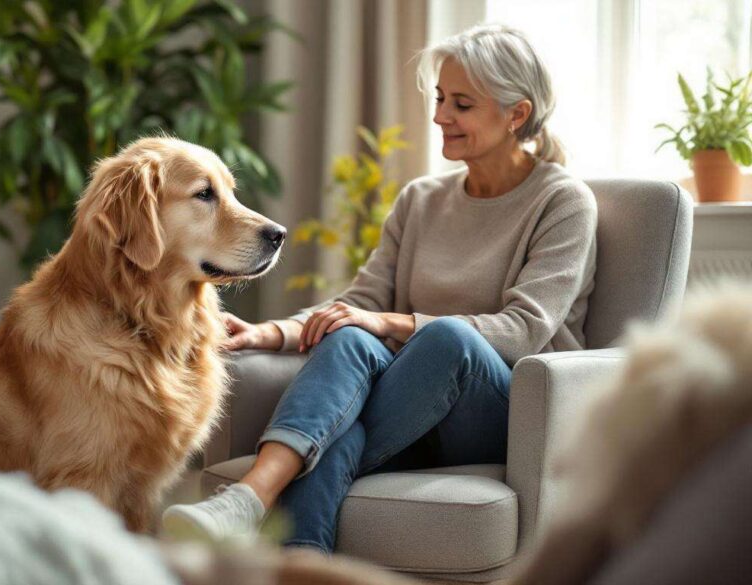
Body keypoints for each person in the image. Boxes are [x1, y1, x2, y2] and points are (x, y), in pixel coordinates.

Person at [162, 23, 598, 554]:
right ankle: (288, 547)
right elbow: (362, 302)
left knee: (446, 340)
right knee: (348, 347)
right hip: (414, 410)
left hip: (506, 415)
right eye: (440, 99)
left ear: (517, 114)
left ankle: (256, 490)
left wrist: (391, 323)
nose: (440, 117)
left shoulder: (562, 202)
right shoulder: (421, 199)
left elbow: (523, 330)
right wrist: (272, 333)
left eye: (461, 104)